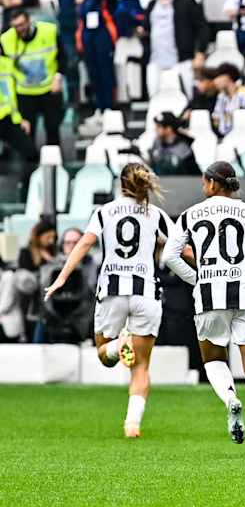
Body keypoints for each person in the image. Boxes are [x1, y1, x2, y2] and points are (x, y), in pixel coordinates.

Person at [44, 163, 170, 439]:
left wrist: (62, 278)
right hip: (146, 292)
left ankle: (117, 345)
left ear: (120, 184)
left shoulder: (104, 211)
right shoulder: (156, 214)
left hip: (112, 290)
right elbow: (180, 248)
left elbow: (84, 243)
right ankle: (132, 424)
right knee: (142, 365)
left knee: (104, 355)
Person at [162, 162, 245, 458]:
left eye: (204, 182)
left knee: (213, 359)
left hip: (209, 296)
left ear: (213, 183)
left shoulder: (190, 214)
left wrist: (197, 279)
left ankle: (229, 399)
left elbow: (170, 256)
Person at [2, 10, 63, 148]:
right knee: (28, 131)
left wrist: (58, 77)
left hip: (49, 88)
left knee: (53, 128)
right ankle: (31, 165)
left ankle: (54, 161)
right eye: (16, 26)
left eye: (22, 24)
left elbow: (62, 57)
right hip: (25, 92)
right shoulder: (6, 40)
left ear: (29, 20)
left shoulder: (48, 31)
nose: (20, 29)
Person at [141, 0, 209, 75]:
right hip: (155, 61)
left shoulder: (187, 3)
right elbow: (146, 29)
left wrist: (200, 53)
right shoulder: (151, 4)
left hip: (181, 61)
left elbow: (203, 29)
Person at [77, 0, 120, 115]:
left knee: (105, 67)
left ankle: (109, 106)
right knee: (92, 69)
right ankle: (98, 107)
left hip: (104, 27)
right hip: (87, 28)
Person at [38, 0, 83, 98]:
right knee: (68, 60)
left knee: (74, 60)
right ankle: (72, 98)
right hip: (64, 20)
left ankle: (77, 98)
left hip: (76, 20)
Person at [0, 52, 35, 161]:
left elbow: (21, 89)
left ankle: (29, 178)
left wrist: (21, 119)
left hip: (7, 119)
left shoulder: (8, 64)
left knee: (31, 153)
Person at [210, 63, 245, 136]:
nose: (215, 81)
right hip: (224, 136)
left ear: (228, 77)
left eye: (218, 77)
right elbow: (216, 120)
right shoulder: (221, 97)